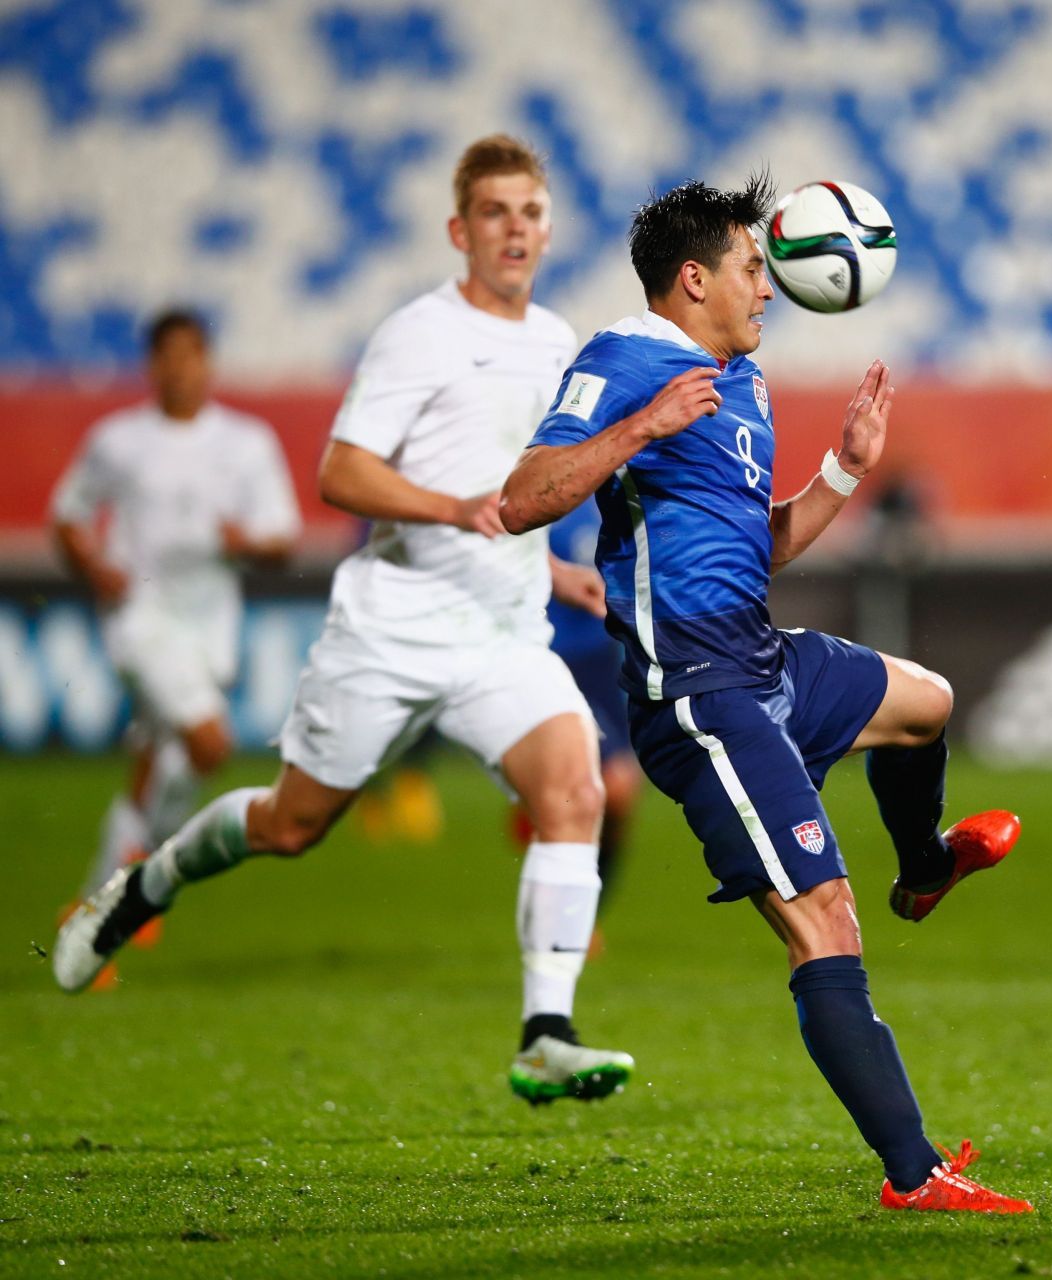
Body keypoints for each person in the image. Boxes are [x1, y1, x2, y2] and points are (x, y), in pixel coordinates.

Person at [55, 135, 633, 1107]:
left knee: (575, 789)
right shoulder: (419, 332)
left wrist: (557, 569)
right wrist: (452, 506)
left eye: (530, 212)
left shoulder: (555, 339)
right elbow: (341, 472)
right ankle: (144, 883)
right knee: (290, 825)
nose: (515, 230)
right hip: (393, 627)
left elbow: (524, 492)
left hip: (502, 631)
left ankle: (547, 1030)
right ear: (461, 229)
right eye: (495, 212)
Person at [499, 176, 1032, 1214]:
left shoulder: (737, 380)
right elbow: (522, 497)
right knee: (824, 922)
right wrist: (640, 428)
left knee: (927, 699)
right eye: (753, 267)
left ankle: (922, 870)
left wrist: (842, 468)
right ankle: (915, 1174)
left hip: (761, 659)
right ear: (692, 279)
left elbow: (760, 546)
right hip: (698, 691)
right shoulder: (622, 360)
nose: (769, 288)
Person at [51, 309, 299, 952]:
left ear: (207, 361)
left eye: (192, 354)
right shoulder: (117, 440)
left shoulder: (246, 442)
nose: (181, 367)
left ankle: (98, 902)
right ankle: (137, 886)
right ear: (152, 364)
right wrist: (95, 567)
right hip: (141, 617)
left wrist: (244, 540)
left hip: (209, 623)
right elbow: (69, 516)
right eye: (169, 355)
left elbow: (282, 539)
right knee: (209, 742)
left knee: (157, 763)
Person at [525, 497, 646, 909]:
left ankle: (582, 910)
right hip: (549, 657)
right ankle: (568, 912)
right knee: (614, 785)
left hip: (600, 662)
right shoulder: (532, 489)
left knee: (621, 794)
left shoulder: (611, 492)